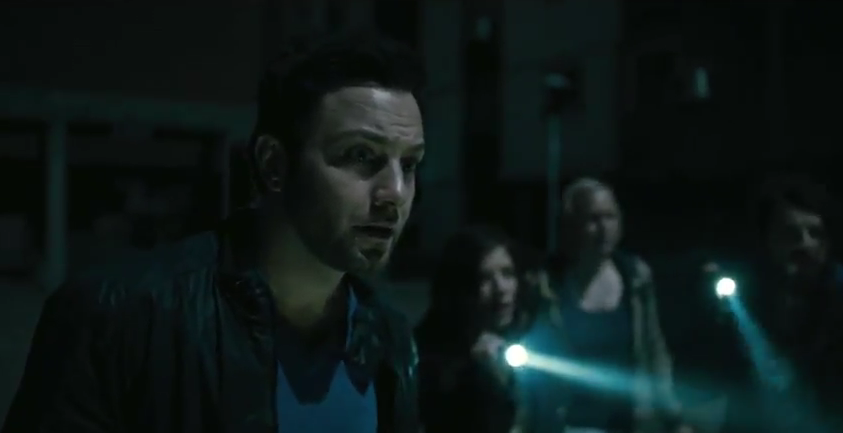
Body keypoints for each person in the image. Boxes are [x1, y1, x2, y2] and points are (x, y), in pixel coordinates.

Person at [2, 32, 426, 433]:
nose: (394, 192)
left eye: (408, 165)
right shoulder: (118, 320)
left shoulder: (389, 339)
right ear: (274, 164)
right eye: (360, 155)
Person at [526, 178, 691, 433]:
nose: (603, 228)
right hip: (570, 422)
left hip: (629, 421)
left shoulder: (635, 276)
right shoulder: (547, 284)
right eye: (592, 219)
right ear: (572, 225)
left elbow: (653, 350)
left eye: (609, 217)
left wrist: (673, 416)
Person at [719, 175, 843, 433]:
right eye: (791, 234)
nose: (806, 244)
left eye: (816, 234)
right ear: (768, 241)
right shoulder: (752, 296)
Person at [416, 226, 536, 433]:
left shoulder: (530, 331)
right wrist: (475, 374)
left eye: (507, 273)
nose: (501, 288)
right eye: (484, 278)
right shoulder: (431, 353)